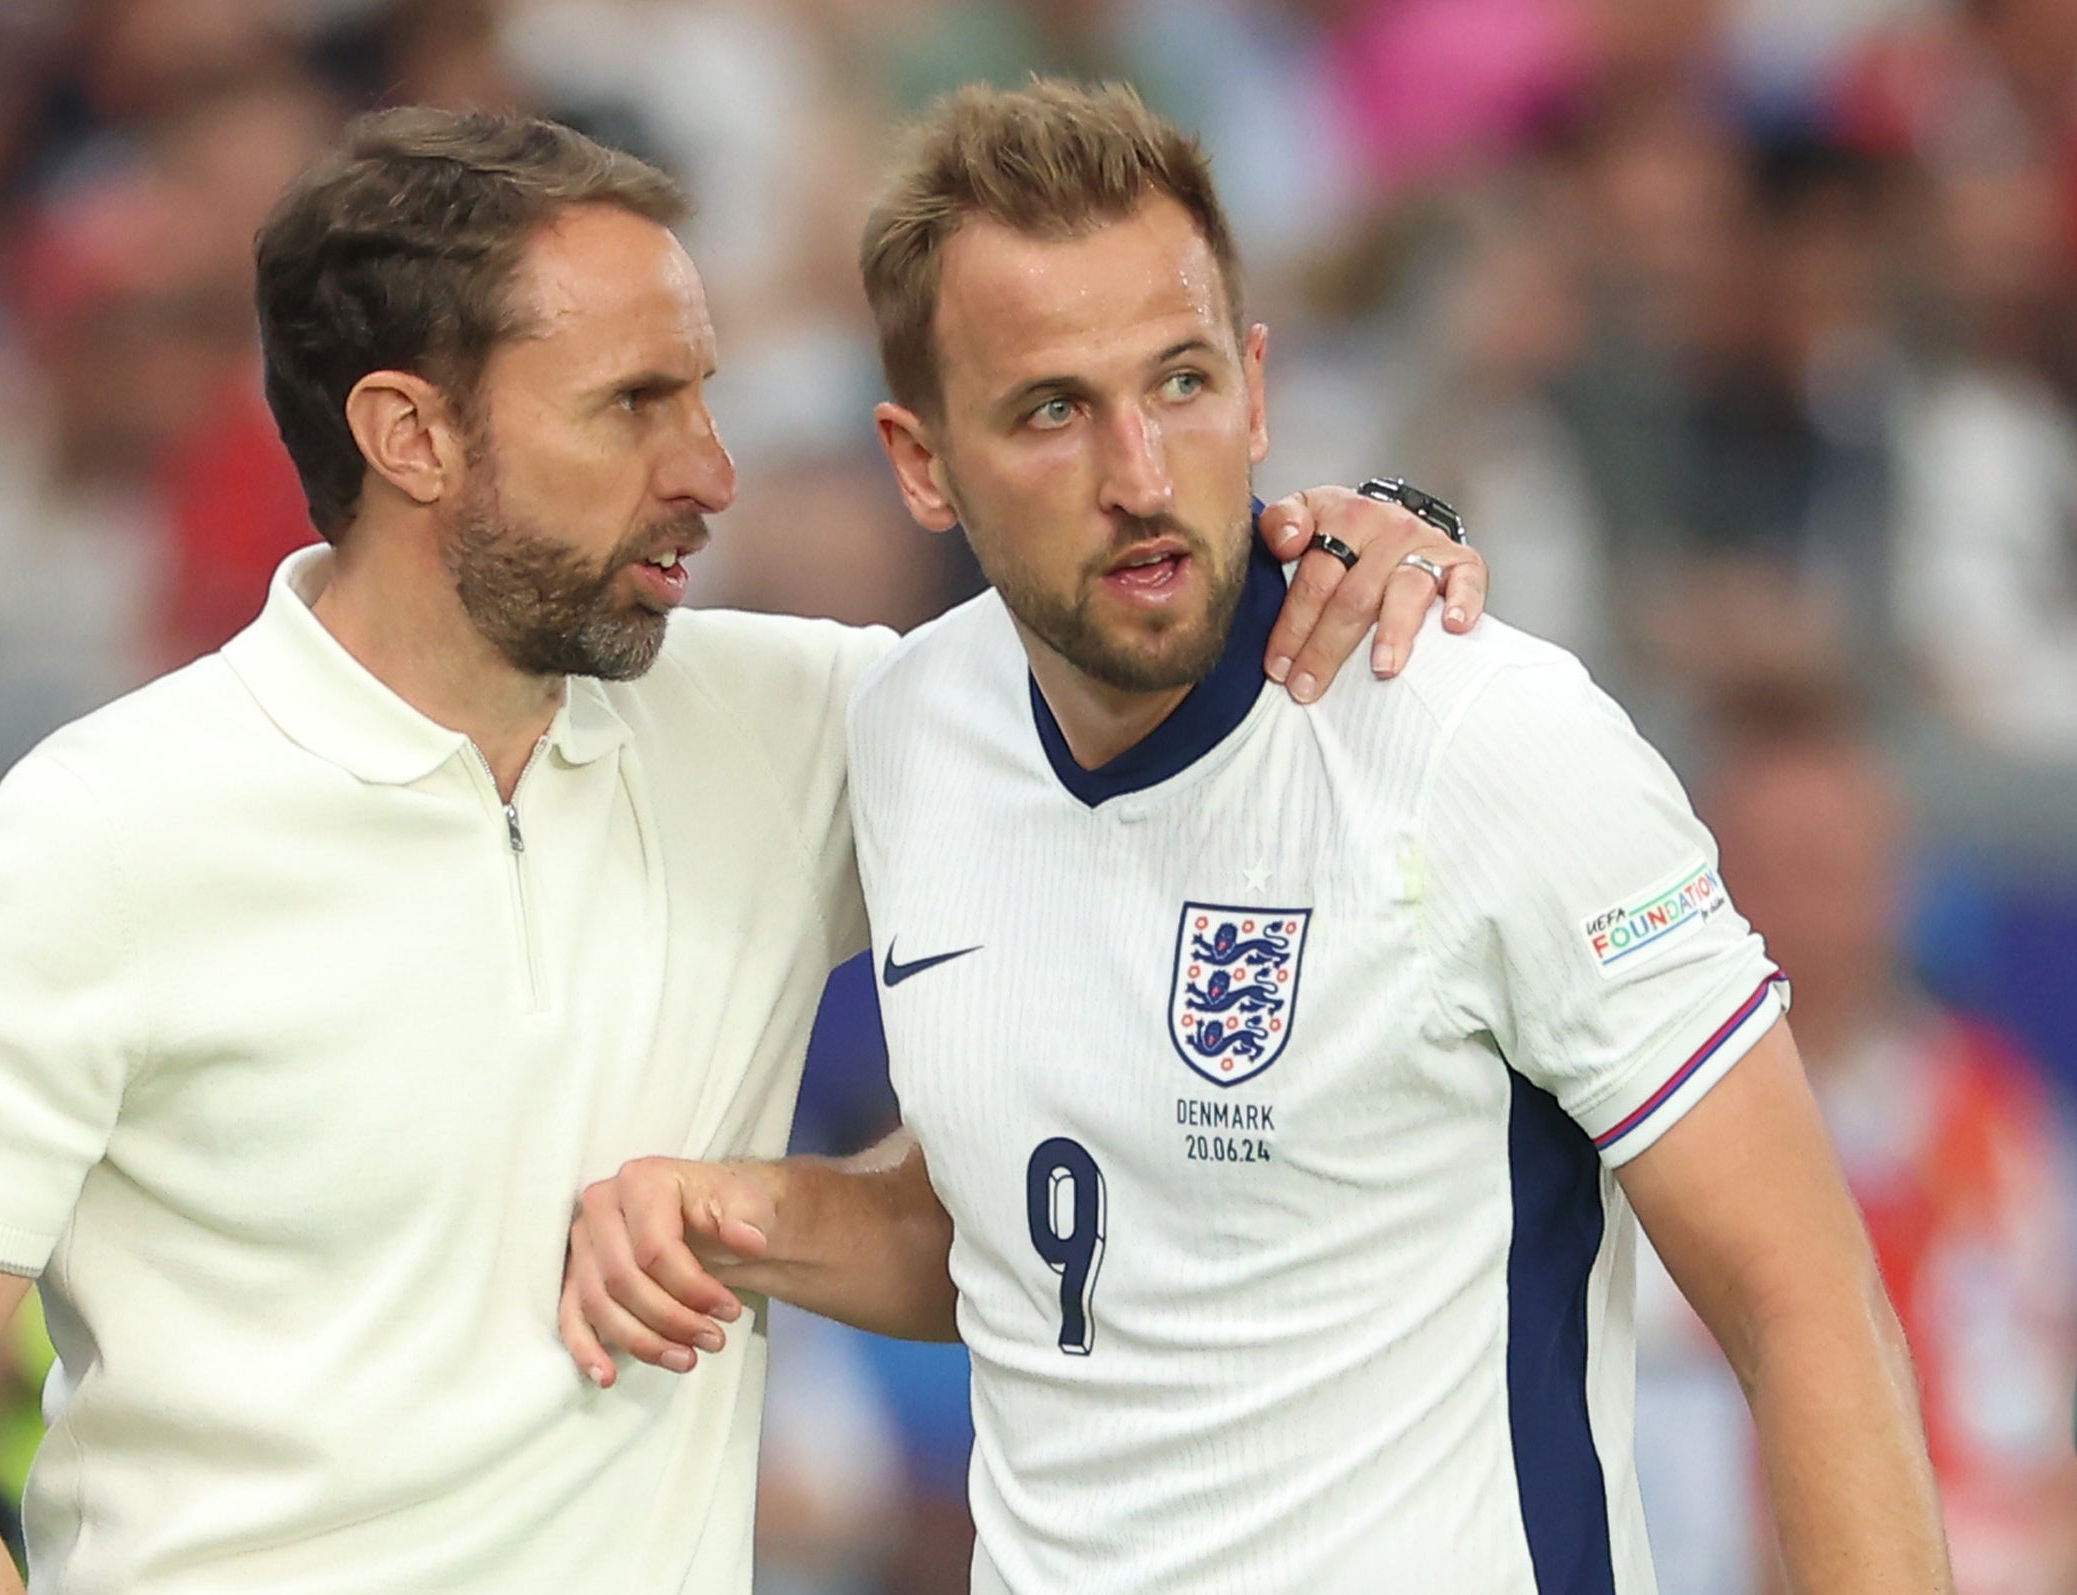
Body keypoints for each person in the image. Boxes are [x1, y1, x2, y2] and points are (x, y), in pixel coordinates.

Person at [0, 107, 1480, 1595]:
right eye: (632, 405)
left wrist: (1366, 537)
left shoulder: (811, 720)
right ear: (410, 437)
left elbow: (1167, 686)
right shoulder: (99, 833)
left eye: (704, 394)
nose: (709, 469)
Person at [559, 81, 1953, 1594]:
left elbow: (1805, 1302)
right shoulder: (904, 729)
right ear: (919, 460)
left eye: (1179, 383)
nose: (1140, 475)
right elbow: (1055, 1224)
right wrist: (751, 1212)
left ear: (1259, 386)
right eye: (1050, 410)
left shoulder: (1483, 739)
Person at [1636, 677, 2077, 1595]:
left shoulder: (1994, 1117)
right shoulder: (1644, 1133)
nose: (1814, 904)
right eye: (1778, 864)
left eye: (1839, 863)